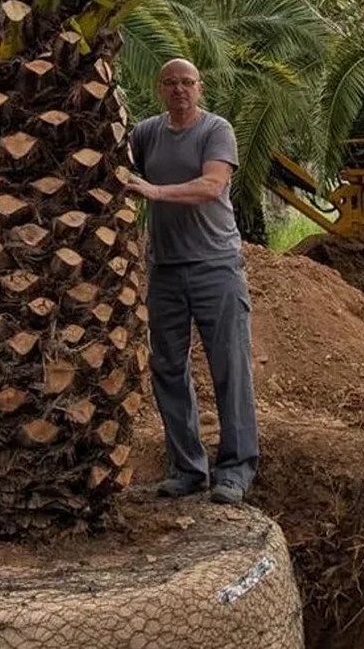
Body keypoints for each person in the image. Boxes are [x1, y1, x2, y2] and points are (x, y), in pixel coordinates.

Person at [122, 58, 260, 504]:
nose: (179, 90)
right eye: (170, 83)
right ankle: (187, 468)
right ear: (159, 89)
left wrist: (154, 191)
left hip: (215, 267)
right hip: (165, 269)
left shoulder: (215, 130)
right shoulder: (147, 134)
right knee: (167, 368)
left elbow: (211, 186)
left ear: (199, 88)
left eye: (187, 83)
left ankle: (235, 471)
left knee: (229, 368)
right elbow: (116, 162)